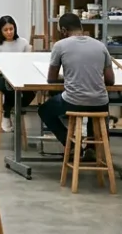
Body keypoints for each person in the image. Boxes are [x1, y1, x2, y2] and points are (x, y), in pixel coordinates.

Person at [38, 13, 113, 155]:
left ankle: (71, 145)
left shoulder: (60, 45)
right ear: (81, 27)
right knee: (93, 105)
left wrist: (69, 78)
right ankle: (92, 148)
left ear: (64, 30)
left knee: (44, 110)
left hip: (74, 101)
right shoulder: (100, 46)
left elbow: (51, 79)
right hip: (101, 103)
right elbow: (110, 81)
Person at [0, 15, 34, 133]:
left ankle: (10, 110)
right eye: (5, 30)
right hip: (1, 77)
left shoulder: (23, 43)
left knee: (30, 92)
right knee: (9, 86)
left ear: (15, 29)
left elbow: (28, 62)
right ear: (0, 31)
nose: (9, 32)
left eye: (11, 29)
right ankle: (8, 114)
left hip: (19, 77)